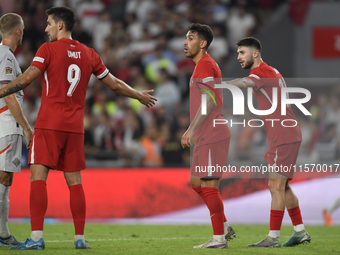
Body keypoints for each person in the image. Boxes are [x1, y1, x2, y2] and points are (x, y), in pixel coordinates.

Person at [0, 7, 156, 250]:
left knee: (38, 177)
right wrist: (138, 95)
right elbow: (114, 84)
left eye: (49, 24)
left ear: (60, 26)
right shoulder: (88, 53)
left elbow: (28, 77)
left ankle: (37, 237)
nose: (46, 28)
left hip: (49, 124)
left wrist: (1, 90)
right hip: (75, 127)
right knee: (74, 181)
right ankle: (80, 239)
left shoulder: (47, 49)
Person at [225, 37, 311, 247]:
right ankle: (300, 231)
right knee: (283, 186)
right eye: (237, 53)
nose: (238, 57)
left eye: (242, 52)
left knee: (275, 185)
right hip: (285, 133)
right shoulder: (272, 71)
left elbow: (245, 83)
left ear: (255, 53)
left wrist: (220, 84)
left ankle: (273, 238)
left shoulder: (260, 72)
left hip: (283, 135)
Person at [181, 23, 235, 249]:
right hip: (205, 134)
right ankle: (224, 226)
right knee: (197, 183)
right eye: (186, 38)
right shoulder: (202, 66)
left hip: (211, 133)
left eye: (191, 38)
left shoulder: (205, 65)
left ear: (202, 43)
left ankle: (219, 239)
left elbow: (210, 100)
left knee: (209, 184)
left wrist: (190, 128)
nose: (185, 42)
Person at [0, 13, 33, 247]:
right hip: (7, 122)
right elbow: (9, 93)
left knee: (3, 178)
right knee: (4, 178)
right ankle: (2, 235)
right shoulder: (6, 56)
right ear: (18, 31)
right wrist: (27, 127)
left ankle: (2, 233)